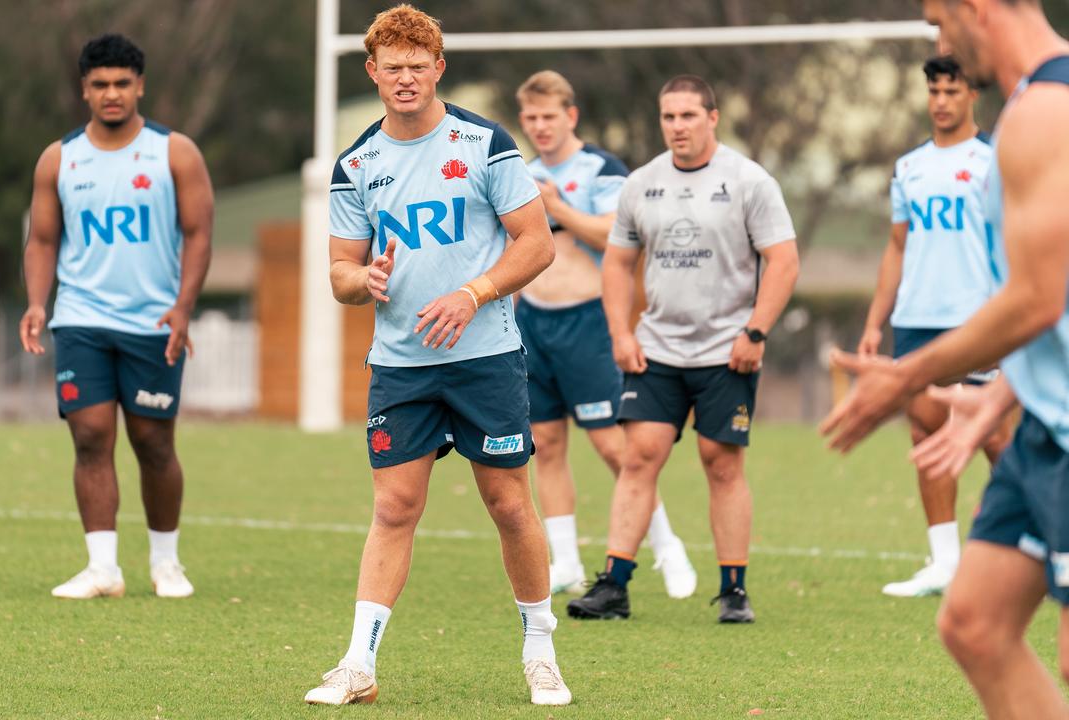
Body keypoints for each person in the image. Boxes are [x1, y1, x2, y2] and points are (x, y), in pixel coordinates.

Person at [304, 5, 569, 707]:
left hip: (485, 357)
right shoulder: (356, 162)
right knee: (394, 507)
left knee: (509, 505)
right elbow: (337, 271)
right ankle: (358, 663)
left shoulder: (483, 142)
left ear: (438, 68)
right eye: (393, 68)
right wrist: (363, 281)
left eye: (419, 67)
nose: (406, 80)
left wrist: (473, 293)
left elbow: (536, 243)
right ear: (373, 72)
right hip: (400, 365)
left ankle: (540, 651)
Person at [823, 1, 1069, 716]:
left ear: (977, 8)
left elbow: (1036, 299)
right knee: (975, 627)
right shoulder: (1032, 107)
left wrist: (907, 373)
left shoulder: (1041, 116)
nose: (941, 42)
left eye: (940, 21)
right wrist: (1002, 396)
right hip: (1043, 427)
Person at [568, 75, 799, 623]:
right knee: (639, 457)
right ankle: (614, 585)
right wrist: (622, 334)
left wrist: (756, 332)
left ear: (712, 118)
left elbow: (783, 261)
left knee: (721, 464)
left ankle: (734, 591)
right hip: (657, 351)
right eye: (669, 117)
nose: (678, 127)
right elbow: (619, 263)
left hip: (728, 350)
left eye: (689, 116)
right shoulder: (642, 183)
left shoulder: (749, 181)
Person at [19, 34, 213, 600]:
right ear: (84, 89)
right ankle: (102, 568)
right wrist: (37, 302)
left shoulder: (174, 152)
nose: (111, 93)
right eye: (100, 83)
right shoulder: (60, 158)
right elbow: (42, 240)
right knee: (90, 435)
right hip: (80, 317)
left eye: (121, 83)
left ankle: (166, 562)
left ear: (139, 86)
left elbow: (199, 234)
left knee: (153, 442)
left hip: (153, 323)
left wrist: (182, 308)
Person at [513, 70, 696, 600]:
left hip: (588, 322)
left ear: (571, 116)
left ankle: (666, 546)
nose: (540, 127)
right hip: (534, 321)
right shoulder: (520, 172)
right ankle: (565, 561)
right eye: (531, 118)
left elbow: (618, 237)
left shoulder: (600, 169)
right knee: (544, 443)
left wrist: (558, 208)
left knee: (615, 449)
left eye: (550, 117)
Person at [857, 55, 1009, 597]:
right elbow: (898, 246)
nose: (941, 101)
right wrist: (877, 321)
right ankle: (944, 562)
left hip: (977, 319)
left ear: (973, 95)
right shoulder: (909, 167)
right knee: (926, 435)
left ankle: (1039, 551)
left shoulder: (996, 158)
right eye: (934, 91)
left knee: (994, 437)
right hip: (917, 319)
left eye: (952, 90)